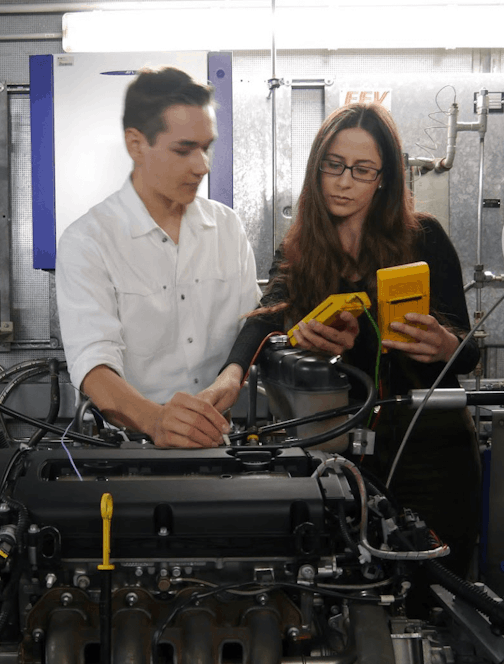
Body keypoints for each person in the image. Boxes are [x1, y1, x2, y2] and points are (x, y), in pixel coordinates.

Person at [212, 102, 481, 585]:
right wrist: (233, 374)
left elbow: (470, 350)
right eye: (332, 165)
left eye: (361, 170)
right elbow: (265, 319)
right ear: (317, 167)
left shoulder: (425, 238)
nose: (342, 181)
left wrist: (445, 344)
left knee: (437, 585)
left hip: (433, 446)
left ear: (384, 179)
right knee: (352, 583)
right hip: (346, 449)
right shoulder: (299, 250)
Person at [56, 67, 260, 448]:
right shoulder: (88, 241)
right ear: (136, 144)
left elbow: (251, 329)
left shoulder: (227, 228)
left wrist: (230, 378)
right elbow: (93, 364)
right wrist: (156, 420)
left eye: (206, 147)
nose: (202, 166)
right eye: (184, 149)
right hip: (130, 449)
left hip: (219, 443)